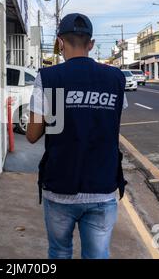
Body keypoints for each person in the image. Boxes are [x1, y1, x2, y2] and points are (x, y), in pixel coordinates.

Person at [26, 13, 128, 260]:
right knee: (97, 255)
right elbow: (110, 121)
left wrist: (59, 109)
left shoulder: (50, 78)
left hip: (61, 186)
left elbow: (31, 135)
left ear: (60, 42)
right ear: (91, 44)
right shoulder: (115, 78)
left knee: (60, 252)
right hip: (102, 187)